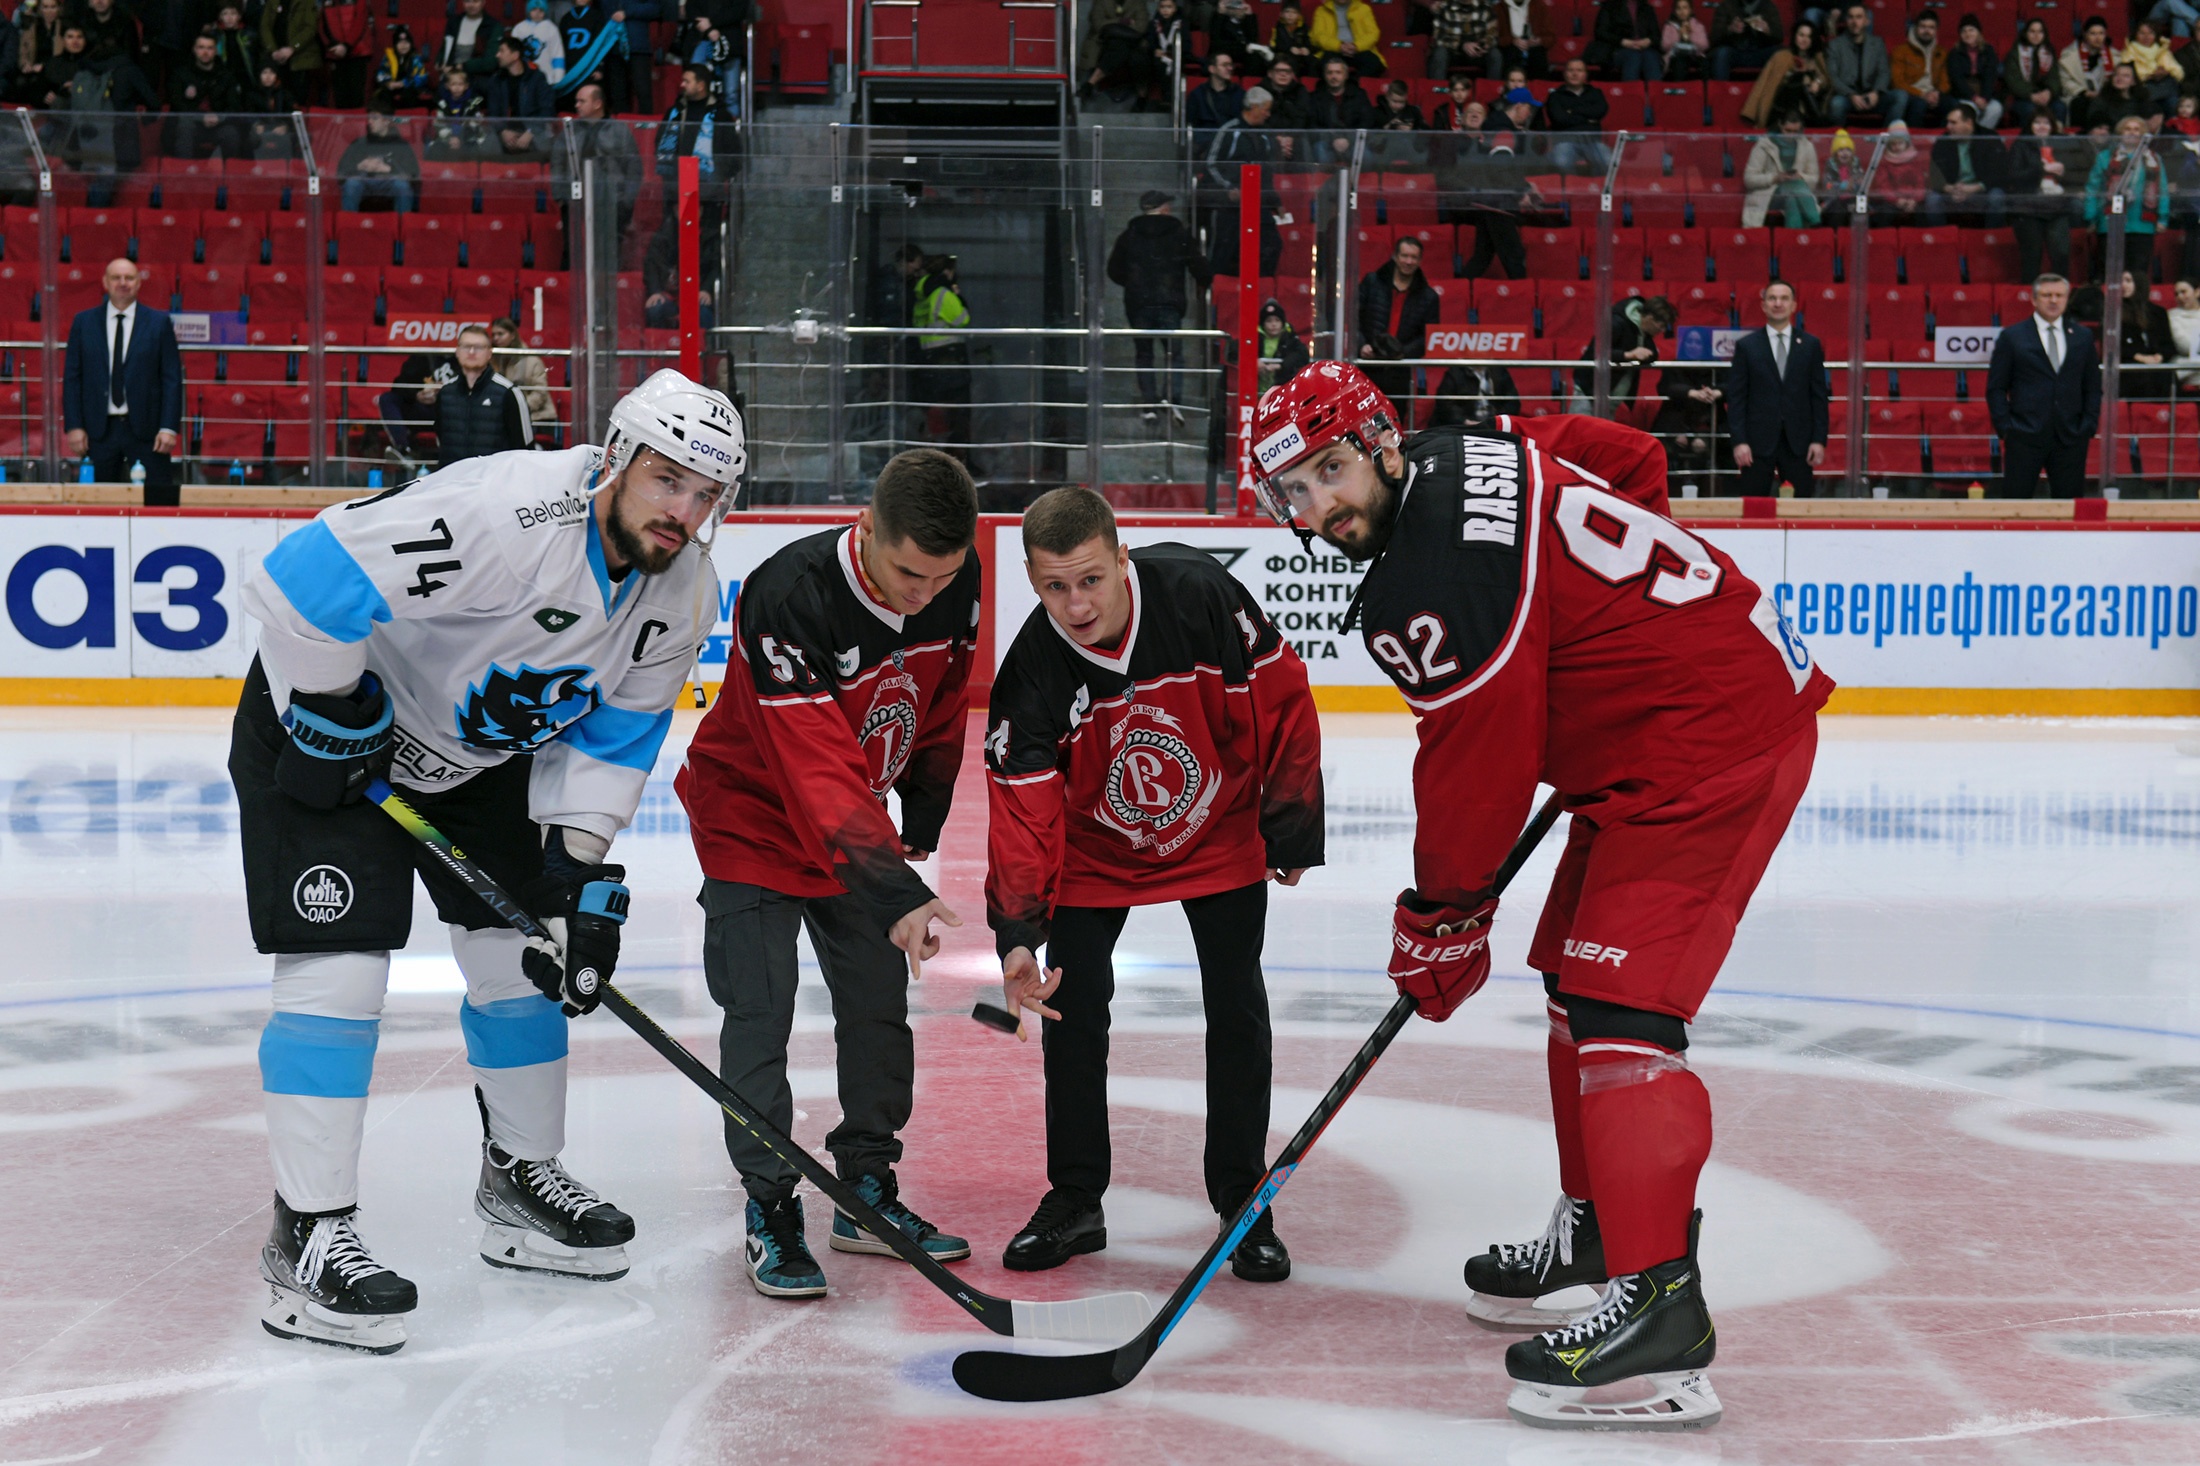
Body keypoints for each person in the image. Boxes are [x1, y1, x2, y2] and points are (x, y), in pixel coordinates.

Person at [1248, 364, 1830, 1433]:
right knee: (1572, 980)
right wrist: (1606, 634)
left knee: (1623, 1018)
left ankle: (1662, 1317)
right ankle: (1599, 1232)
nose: (1319, 509)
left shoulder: (1424, 582)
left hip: (1709, 746)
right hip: (1670, 723)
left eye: (1329, 471)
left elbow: (1477, 765)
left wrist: (1440, 918)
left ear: (1377, 442)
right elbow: (1632, 461)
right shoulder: (1467, 443)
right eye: (1293, 493)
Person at [233, 369, 740, 1354]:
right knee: (340, 970)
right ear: (618, 458)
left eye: (707, 494)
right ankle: (307, 1230)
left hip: (475, 763)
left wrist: (572, 871)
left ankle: (518, 1178)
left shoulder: (683, 590)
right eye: (668, 478)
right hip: (329, 739)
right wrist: (333, 708)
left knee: (526, 962)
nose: (683, 510)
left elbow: (612, 740)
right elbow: (298, 579)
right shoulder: (502, 514)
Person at [987, 487, 1322, 1280]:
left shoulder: (1200, 595)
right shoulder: (1033, 670)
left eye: (1091, 580)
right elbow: (1022, 812)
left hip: (1222, 827)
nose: (1075, 604)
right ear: (1032, 582)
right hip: (1096, 855)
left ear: (1122, 558)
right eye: (1054, 587)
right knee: (1072, 1010)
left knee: (1236, 1004)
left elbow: (1283, 701)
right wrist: (1017, 934)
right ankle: (1075, 1198)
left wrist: (1290, 824)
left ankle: (1242, 1198)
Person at [675, 450, 978, 1300]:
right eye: (910, 573)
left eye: (943, 576)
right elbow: (813, 767)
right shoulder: (789, 592)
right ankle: (770, 1204)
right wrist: (895, 888)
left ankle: (865, 1190)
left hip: (857, 823)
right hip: (751, 819)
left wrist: (922, 810)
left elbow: (945, 693)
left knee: (878, 1001)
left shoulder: (954, 577)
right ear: (867, 528)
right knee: (760, 1009)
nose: (926, 594)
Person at [62, 257, 182, 501]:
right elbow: (73, 378)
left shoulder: (159, 323)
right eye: (116, 278)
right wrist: (74, 426)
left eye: (129, 278)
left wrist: (168, 427)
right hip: (99, 431)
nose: (123, 283)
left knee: (159, 500)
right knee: (98, 502)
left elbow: (171, 379)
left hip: (148, 431)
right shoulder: (83, 322)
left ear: (138, 283)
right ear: (105, 283)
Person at [1987, 274, 2102, 497]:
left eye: (2059, 295)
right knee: (2015, 505)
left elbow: (2092, 386)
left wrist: (2088, 424)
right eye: (2047, 295)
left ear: (2067, 299)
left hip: (2070, 436)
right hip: (2024, 435)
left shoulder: (2082, 336)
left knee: (2070, 508)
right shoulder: (2013, 337)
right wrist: (2007, 428)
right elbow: (1996, 388)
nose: (2053, 300)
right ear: (2034, 299)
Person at [1109, 189, 1212, 418]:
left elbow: (1113, 270)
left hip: (1138, 304)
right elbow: (1200, 268)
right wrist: (1205, 280)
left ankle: (1149, 404)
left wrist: (1134, 285)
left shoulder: (1128, 236)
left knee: (1144, 353)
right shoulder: (1179, 235)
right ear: (1164, 209)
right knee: (1173, 353)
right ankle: (1171, 399)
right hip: (1169, 302)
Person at [1725, 279, 1829, 497]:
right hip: (1754, 445)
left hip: (1799, 443)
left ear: (1794, 305)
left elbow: (1819, 396)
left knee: (1800, 509)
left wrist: (1819, 440)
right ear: (1763, 305)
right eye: (1772, 298)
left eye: (1784, 298)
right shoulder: (1747, 346)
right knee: (1753, 509)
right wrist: (1739, 441)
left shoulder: (1810, 345)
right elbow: (1736, 398)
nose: (1778, 303)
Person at [1204, 86, 1290, 276]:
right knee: (1224, 252)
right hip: (1230, 205)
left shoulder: (1266, 135)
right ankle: (1218, 294)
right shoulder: (1229, 130)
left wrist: (1275, 201)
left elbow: (1267, 172)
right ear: (1253, 107)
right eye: (1265, 109)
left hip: (1259, 204)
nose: (1268, 114)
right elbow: (1210, 164)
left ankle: (1262, 288)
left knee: (1272, 245)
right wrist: (1229, 189)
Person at [425, 324, 530, 469]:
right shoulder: (445, 393)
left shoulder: (509, 392)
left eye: (479, 347)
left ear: (489, 353)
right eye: (466, 346)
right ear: (457, 351)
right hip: (451, 481)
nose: (472, 352)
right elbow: (441, 438)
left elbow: (524, 446)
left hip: (493, 483)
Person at [1358, 233, 1442, 412]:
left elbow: (1427, 337)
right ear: (1395, 256)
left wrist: (1401, 354)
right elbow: (1353, 319)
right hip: (1367, 365)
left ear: (1420, 261)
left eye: (1414, 257)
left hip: (1400, 370)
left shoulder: (1429, 297)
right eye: (1405, 256)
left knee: (1393, 424)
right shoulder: (1371, 282)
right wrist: (1362, 345)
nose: (1409, 261)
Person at [2084, 115, 2168, 293]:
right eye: (2127, 129)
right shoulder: (2105, 157)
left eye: (2137, 129)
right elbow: (2093, 188)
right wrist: (2090, 216)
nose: (2132, 133)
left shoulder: (2154, 158)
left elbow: (2162, 189)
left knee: (2138, 274)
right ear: (2120, 134)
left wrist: (2163, 217)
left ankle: (2137, 312)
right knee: (2110, 272)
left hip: (2142, 223)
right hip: (2110, 222)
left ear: (2144, 134)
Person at [558, 78, 640, 242]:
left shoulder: (619, 130)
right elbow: (558, 163)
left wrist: (626, 202)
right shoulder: (570, 129)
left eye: (582, 101)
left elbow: (634, 167)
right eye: (577, 101)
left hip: (612, 202)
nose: (577, 106)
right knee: (573, 251)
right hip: (576, 202)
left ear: (597, 104)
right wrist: (561, 196)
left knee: (608, 251)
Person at [911, 255, 974, 467]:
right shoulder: (942, 293)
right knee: (957, 414)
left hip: (929, 357)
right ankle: (955, 461)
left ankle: (932, 460)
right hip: (949, 358)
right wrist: (959, 297)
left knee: (936, 414)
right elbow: (962, 319)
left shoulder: (922, 293)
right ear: (946, 271)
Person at [1571, 294, 1674, 414]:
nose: (1662, 331)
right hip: (1589, 391)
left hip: (1610, 397)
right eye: (1661, 326)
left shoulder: (1643, 332)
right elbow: (1596, 352)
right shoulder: (1617, 322)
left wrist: (1642, 355)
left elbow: (1652, 354)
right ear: (1650, 318)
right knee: (1579, 429)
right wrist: (1628, 355)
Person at [2006, 110, 2075, 280]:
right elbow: (2013, 175)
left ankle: (2060, 294)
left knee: (2060, 254)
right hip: (2028, 208)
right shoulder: (2021, 145)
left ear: (2052, 126)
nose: (2042, 127)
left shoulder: (2063, 144)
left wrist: (2064, 171)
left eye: (2046, 123)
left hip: (2057, 207)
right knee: (2031, 256)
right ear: (2030, 125)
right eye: (2037, 122)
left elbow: (2078, 172)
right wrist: (2041, 169)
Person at [163, 31, 244, 160]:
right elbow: (176, 103)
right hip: (191, 125)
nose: (205, 52)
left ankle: (229, 176)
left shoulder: (226, 76)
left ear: (216, 51)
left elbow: (234, 105)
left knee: (231, 133)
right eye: (201, 47)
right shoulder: (181, 74)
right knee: (185, 124)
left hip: (217, 125)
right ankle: (184, 171)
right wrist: (200, 117)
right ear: (194, 49)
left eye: (209, 48)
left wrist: (219, 118)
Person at [1925, 102, 2006, 227]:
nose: (1948, 126)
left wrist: (1974, 188)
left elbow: (1999, 172)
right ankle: (1941, 239)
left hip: (1980, 190)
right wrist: (1951, 189)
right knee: (1932, 199)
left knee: (1997, 196)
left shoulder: (1989, 138)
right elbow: (1934, 175)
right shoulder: (1943, 141)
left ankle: (1992, 238)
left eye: (1953, 123)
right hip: (1953, 191)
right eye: (1948, 122)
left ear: (1968, 122)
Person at [1742, 19, 1830, 127]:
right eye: (1801, 35)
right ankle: (1819, 121)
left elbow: (1827, 80)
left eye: (1809, 36)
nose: (1804, 39)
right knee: (1799, 81)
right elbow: (1767, 85)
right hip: (1782, 109)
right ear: (1795, 36)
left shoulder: (1817, 57)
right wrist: (1797, 75)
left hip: (1808, 110)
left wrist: (1818, 82)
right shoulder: (1781, 57)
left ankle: (1817, 120)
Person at [1742, 111, 1821, 227]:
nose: (1791, 135)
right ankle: (1815, 220)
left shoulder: (1807, 146)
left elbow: (1814, 180)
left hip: (1796, 195)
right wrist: (1775, 178)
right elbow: (1749, 179)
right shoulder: (1764, 145)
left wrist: (1800, 176)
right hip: (1770, 195)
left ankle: (1794, 239)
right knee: (1794, 188)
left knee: (1791, 199)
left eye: (1796, 132)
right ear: (1780, 125)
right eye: (1788, 131)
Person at [340, 97, 419, 211]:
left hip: (389, 182)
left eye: (375, 118)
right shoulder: (360, 143)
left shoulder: (401, 144)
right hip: (364, 181)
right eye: (369, 118)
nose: (370, 122)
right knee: (352, 184)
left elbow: (413, 174)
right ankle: (348, 224)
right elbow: (341, 170)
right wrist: (359, 166)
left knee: (402, 186)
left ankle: (403, 225)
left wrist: (388, 169)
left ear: (386, 120)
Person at [483, 36, 552, 156]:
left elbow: (547, 109)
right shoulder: (496, 80)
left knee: (545, 143)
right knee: (487, 143)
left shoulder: (537, 78)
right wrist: (503, 131)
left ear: (515, 55)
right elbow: (493, 112)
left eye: (502, 51)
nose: (497, 55)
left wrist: (531, 132)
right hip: (506, 132)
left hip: (532, 131)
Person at [1826, 3, 1891, 124]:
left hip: (1872, 96)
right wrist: (1851, 95)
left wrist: (1876, 92)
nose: (1854, 21)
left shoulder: (1877, 43)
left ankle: (1889, 140)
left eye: (1859, 17)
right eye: (1851, 17)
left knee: (1900, 97)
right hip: (1847, 97)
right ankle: (1839, 140)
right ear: (1846, 20)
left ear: (1867, 21)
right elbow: (1832, 76)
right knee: (1836, 104)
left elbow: (1884, 72)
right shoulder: (1835, 45)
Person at [490, 317, 554, 439]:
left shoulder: (532, 360)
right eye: (493, 335)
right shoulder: (494, 360)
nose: (495, 338)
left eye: (500, 334)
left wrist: (520, 409)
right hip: (508, 418)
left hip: (538, 418)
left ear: (513, 335)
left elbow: (540, 393)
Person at [1544, 56, 1609, 174]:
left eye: (1579, 70)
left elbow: (1600, 111)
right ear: (1564, 74)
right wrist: (1588, 119)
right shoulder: (1555, 96)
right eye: (1571, 70)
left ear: (1585, 75)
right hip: (1565, 141)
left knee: (1608, 161)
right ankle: (1572, 190)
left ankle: (1595, 189)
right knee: (1561, 162)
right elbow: (1559, 119)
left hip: (1592, 141)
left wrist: (1572, 111)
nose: (1575, 74)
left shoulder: (1595, 93)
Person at [1310, 53, 1378, 161]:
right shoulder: (1315, 97)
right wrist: (1332, 140)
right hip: (1326, 142)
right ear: (1325, 75)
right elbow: (1312, 124)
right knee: (1320, 153)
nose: (1334, 76)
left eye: (1338, 72)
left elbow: (1367, 120)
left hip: (1353, 141)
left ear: (1346, 75)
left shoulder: (1359, 94)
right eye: (1330, 73)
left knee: (1367, 158)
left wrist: (1349, 140)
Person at [556, 0, 625, 107]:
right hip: (570, 70)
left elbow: (601, 45)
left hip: (589, 69)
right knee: (569, 105)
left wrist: (599, 68)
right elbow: (560, 46)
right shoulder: (566, 18)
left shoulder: (597, 16)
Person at [1081, 0, 1149, 100]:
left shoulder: (1138, 2)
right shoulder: (1100, 2)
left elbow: (1141, 27)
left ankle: (1090, 83)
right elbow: (1098, 24)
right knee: (1120, 46)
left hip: (1132, 41)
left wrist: (1112, 25)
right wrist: (1122, 21)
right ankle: (1142, 94)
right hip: (1103, 42)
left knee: (1124, 47)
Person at [2002, 16, 2061, 129]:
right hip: (2022, 98)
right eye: (2032, 31)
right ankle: (2029, 141)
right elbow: (2014, 82)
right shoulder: (2015, 53)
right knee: (2029, 109)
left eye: (2040, 32)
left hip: (2045, 96)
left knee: (2060, 107)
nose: (2036, 35)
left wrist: (2049, 92)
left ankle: (2056, 141)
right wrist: (2032, 95)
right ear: (2026, 33)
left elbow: (2055, 77)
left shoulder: (2049, 51)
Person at [1944, 13, 2001, 129]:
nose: (1968, 34)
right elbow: (1957, 79)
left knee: (1996, 108)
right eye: (1964, 31)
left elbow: (1990, 76)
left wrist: (1984, 98)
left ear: (1978, 32)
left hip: (1984, 94)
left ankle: (1980, 136)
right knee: (1969, 110)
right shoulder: (1955, 53)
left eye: (1971, 30)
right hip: (1964, 96)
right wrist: (1974, 98)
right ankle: (1975, 137)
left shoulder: (1988, 51)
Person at [1871, 118, 1929, 227]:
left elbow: (1920, 182)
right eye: (1893, 144)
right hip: (1892, 201)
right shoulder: (1884, 160)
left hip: (1913, 200)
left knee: (1924, 213)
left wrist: (1914, 200)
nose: (1897, 147)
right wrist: (1897, 200)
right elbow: (1883, 185)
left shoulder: (1915, 159)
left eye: (1900, 143)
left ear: (1906, 143)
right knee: (1884, 214)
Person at [259, 0, 320, 104]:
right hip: (276, 58)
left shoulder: (307, 2)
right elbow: (265, 26)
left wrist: (293, 48)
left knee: (300, 98)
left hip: (300, 58)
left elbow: (310, 28)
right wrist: (273, 50)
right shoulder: (272, 2)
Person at [1430, 356, 1520, 425]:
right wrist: (1465, 421)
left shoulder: (1499, 370)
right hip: (1463, 427)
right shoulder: (1455, 372)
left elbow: (1513, 402)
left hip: (1493, 425)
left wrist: (1497, 420)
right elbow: (1444, 404)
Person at [1187, 49, 1243, 156]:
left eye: (1231, 65)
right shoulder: (1198, 94)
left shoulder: (1239, 93)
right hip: (1206, 144)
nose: (1230, 68)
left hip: (1232, 143)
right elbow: (1191, 123)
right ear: (1212, 69)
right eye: (1225, 65)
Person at [319, 0, 372, 108]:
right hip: (335, 54)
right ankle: (342, 124)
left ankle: (357, 124)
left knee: (356, 95)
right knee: (339, 96)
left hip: (358, 53)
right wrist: (331, 45)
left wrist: (346, 46)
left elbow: (359, 23)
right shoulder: (326, 2)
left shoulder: (359, 2)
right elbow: (321, 26)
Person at [428, 63, 488, 158]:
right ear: (447, 86)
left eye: (460, 84)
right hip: (447, 139)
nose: (457, 88)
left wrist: (461, 138)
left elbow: (475, 124)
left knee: (475, 151)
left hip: (467, 139)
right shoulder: (443, 104)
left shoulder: (472, 104)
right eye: (453, 84)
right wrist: (450, 138)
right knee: (433, 150)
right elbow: (439, 125)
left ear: (466, 86)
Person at [1590, 0, 1660, 81]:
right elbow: (1600, 32)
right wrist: (1623, 41)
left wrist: (1648, 40)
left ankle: (1655, 91)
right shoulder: (1609, 7)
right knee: (1633, 56)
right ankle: (1631, 92)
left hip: (1644, 49)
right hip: (1617, 49)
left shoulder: (1647, 8)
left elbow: (1656, 35)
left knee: (1651, 57)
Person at [2123, 19, 2182, 114]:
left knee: (2173, 101)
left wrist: (2166, 72)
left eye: (2150, 33)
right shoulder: (2129, 52)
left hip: (2164, 89)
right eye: (2142, 33)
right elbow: (2127, 74)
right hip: (2142, 90)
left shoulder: (2162, 50)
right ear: (2135, 34)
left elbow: (2178, 72)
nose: (2146, 37)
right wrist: (2150, 75)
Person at [1312, 0, 1385, 76]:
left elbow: (1373, 34)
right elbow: (1318, 36)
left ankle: (1351, 83)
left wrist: (1356, 46)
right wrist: (1339, 46)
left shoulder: (1364, 9)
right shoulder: (1322, 11)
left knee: (1375, 64)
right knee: (1321, 65)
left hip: (1358, 49)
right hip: (1334, 50)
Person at [1711, 0, 1780, 80]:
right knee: (1722, 53)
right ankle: (1720, 90)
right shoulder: (1726, 6)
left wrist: (1768, 31)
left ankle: (1775, 90)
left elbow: (1779, 36)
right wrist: (1730, 29)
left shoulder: (1768, 6)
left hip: (1760, 52)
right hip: (1735, 52)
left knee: (1781, 53)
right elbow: (1714, 37)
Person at [2059, 15, 2112, 117]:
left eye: (2101, 33)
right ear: (2085, 34)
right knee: (2081, 104)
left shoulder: (2114, 56)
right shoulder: (2069, 55)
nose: (2098, 38)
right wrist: (2084, 92)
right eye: (2093, 33)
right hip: (2078, 96)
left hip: (2106, 95)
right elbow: (2065, 81)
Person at [1254, 296, 1312, 389]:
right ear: (1263, 324)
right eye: (1269, 321)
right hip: (1255, 388)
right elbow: (1235, 351)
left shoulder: (1290, 338)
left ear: (1282, 323)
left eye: (1277, 320)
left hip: (1282, 387)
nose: (1273, 324)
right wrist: (1253, 362)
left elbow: (1302, 355)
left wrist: (1280, 366)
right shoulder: (1253, 337)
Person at [1430, 0, 1494, 79]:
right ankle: (1438, 89)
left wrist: (1483, 45)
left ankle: (1494, 89)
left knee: (1494, 54)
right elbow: (1439, 39)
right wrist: (1462, 45)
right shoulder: (1444, 8)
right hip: (1453, 53)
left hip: (1477, 52)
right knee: (1439, 53)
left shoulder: (1485, 7)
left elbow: (1492, 36)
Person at [373, 23, 430, 108]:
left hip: (408, 87)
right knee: (383, 94)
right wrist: (389, 83)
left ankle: (406, 119)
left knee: (409, 95)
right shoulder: (389, 57)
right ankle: (387, 118)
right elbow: (381, 73)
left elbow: (423, 77)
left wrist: (404, 83)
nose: (403, 46)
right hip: (392, 85)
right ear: (395, 45)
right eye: (400, 43)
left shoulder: (415, 58)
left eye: (406, 43)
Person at [510, 0, 565, 86]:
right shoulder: (519, 28)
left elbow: (557, 54)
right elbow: (512, 52)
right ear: (529, 10)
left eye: (541, 10)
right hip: (523, 77)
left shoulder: (551, 28)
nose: (537, 13)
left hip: (547, 78)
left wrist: (558, 78)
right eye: (534, 9)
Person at [1489, 0, 1549, 78]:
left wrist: (1539, 41)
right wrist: (1513, 40)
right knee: (1510, 53)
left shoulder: (1539, 6)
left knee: (1539, 56)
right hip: (1509, 47)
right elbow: (1494, 38)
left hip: (1533, 47)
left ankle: (1539, 88)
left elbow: (1550, 36)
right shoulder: (1499, 8)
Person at [1208, 0, 1266, 72]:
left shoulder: (1248, 19)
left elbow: (1253, 40)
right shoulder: (1218, 18)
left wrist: (1249, 16)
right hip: (1224, 50)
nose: (1235, 6)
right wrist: (1221, 14)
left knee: (1257, 58)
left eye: (1238, 3)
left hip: (1244, 53)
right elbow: (1215, 40)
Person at [2167, 276, 2200, 392]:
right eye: (2176, 294)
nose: (2180, 297)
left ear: (2197, 292)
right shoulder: (2171, 316)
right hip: (2185, 368)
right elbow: (2185, 346)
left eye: (2184, 292)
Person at [1264, 55, 1311, 128]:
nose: (1283, 74)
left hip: (1296, 136)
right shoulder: (1260, 90)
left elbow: (1303, 117)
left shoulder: (1300, 91)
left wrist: (1292, 136)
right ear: (1270, 73)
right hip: (1267, 135)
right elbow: (1258, 119)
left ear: (1293, 75)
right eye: (1279, 71)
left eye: (1287, 71)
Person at [1271, 1, 1317, 76]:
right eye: (1287, 12)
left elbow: (1311, 43)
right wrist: (1290, 49)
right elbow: (1275, 45)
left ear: (1299, 15)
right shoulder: (1279, 27)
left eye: (1294, 12)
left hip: (1301, 55)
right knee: (1290, 61)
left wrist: (1307, 49)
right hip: (1285, 55)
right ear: (1282, 14)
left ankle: (1309, 84)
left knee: (1313, 62)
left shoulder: (1304, 27)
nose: (1290, 15)